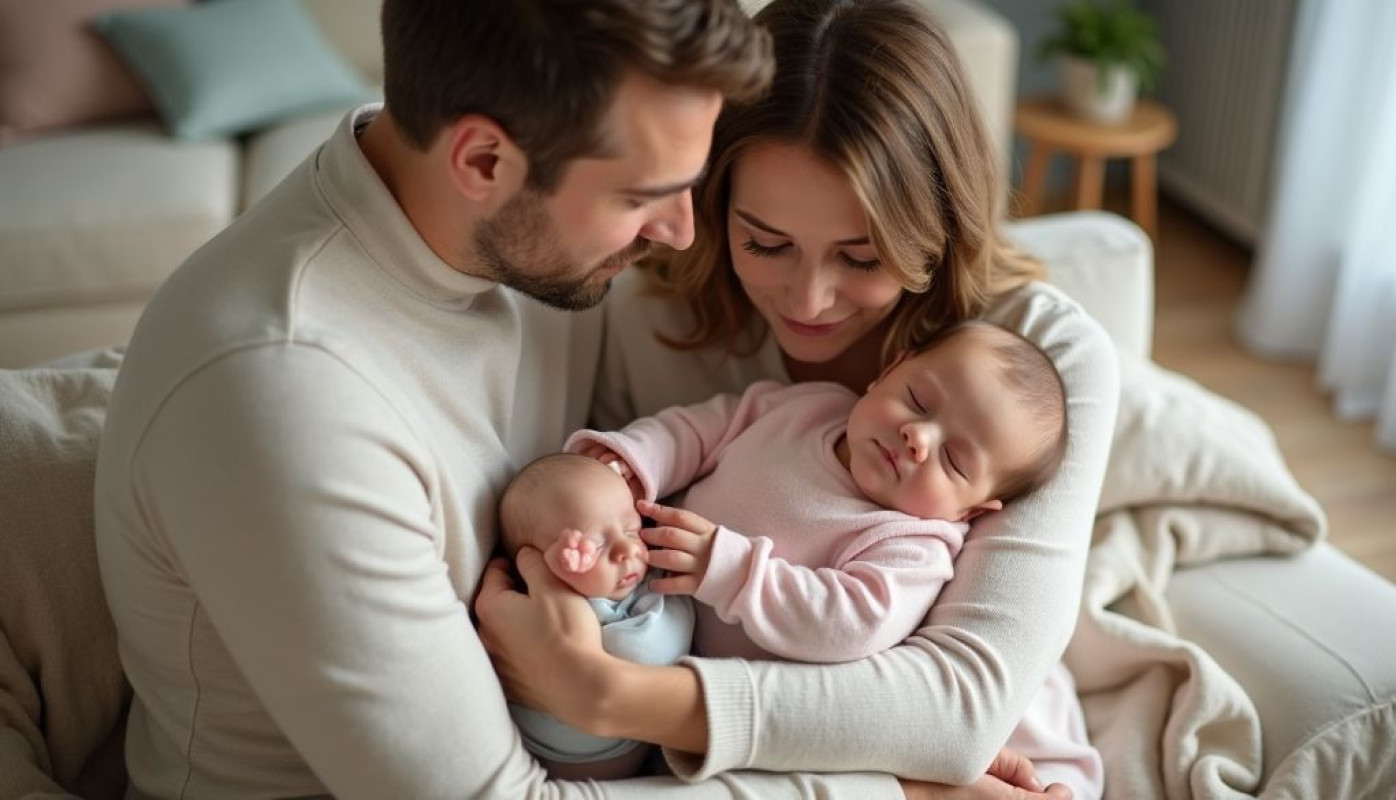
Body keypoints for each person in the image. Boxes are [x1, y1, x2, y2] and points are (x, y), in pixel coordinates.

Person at [90, 0, 845, 796]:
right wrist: (888, 790)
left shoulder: (501, 228)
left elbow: (820, 411)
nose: (681, 233)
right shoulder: (286, 396)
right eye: (641, 197)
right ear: (482, 161)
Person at [474, 0, 1121, 799]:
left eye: (862, 255)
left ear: (935, 227)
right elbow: (630, 495)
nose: (809, 300)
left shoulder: (1049, 357)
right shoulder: (652, 314)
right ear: (712, 205)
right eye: (765, 243)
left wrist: (606, 695)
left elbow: (960, 714)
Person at [564, 320, 1101, 798]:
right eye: (918, 400)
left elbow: (849, 622)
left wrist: (729, 569)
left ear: (973, 509)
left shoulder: (915, 543)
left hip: (773, 722)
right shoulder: (806, 406)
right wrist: (634, 461)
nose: (919, 438)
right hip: (658, 610)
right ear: (888, 371)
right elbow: (698, 431)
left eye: (955, 460)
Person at [497, 453, 694, 782]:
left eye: (631, 530)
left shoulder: (641, 590)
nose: (626, 550)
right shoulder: (548, 615)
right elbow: (644, 654)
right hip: (558, 764)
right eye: (595, 545)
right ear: (533, 564)